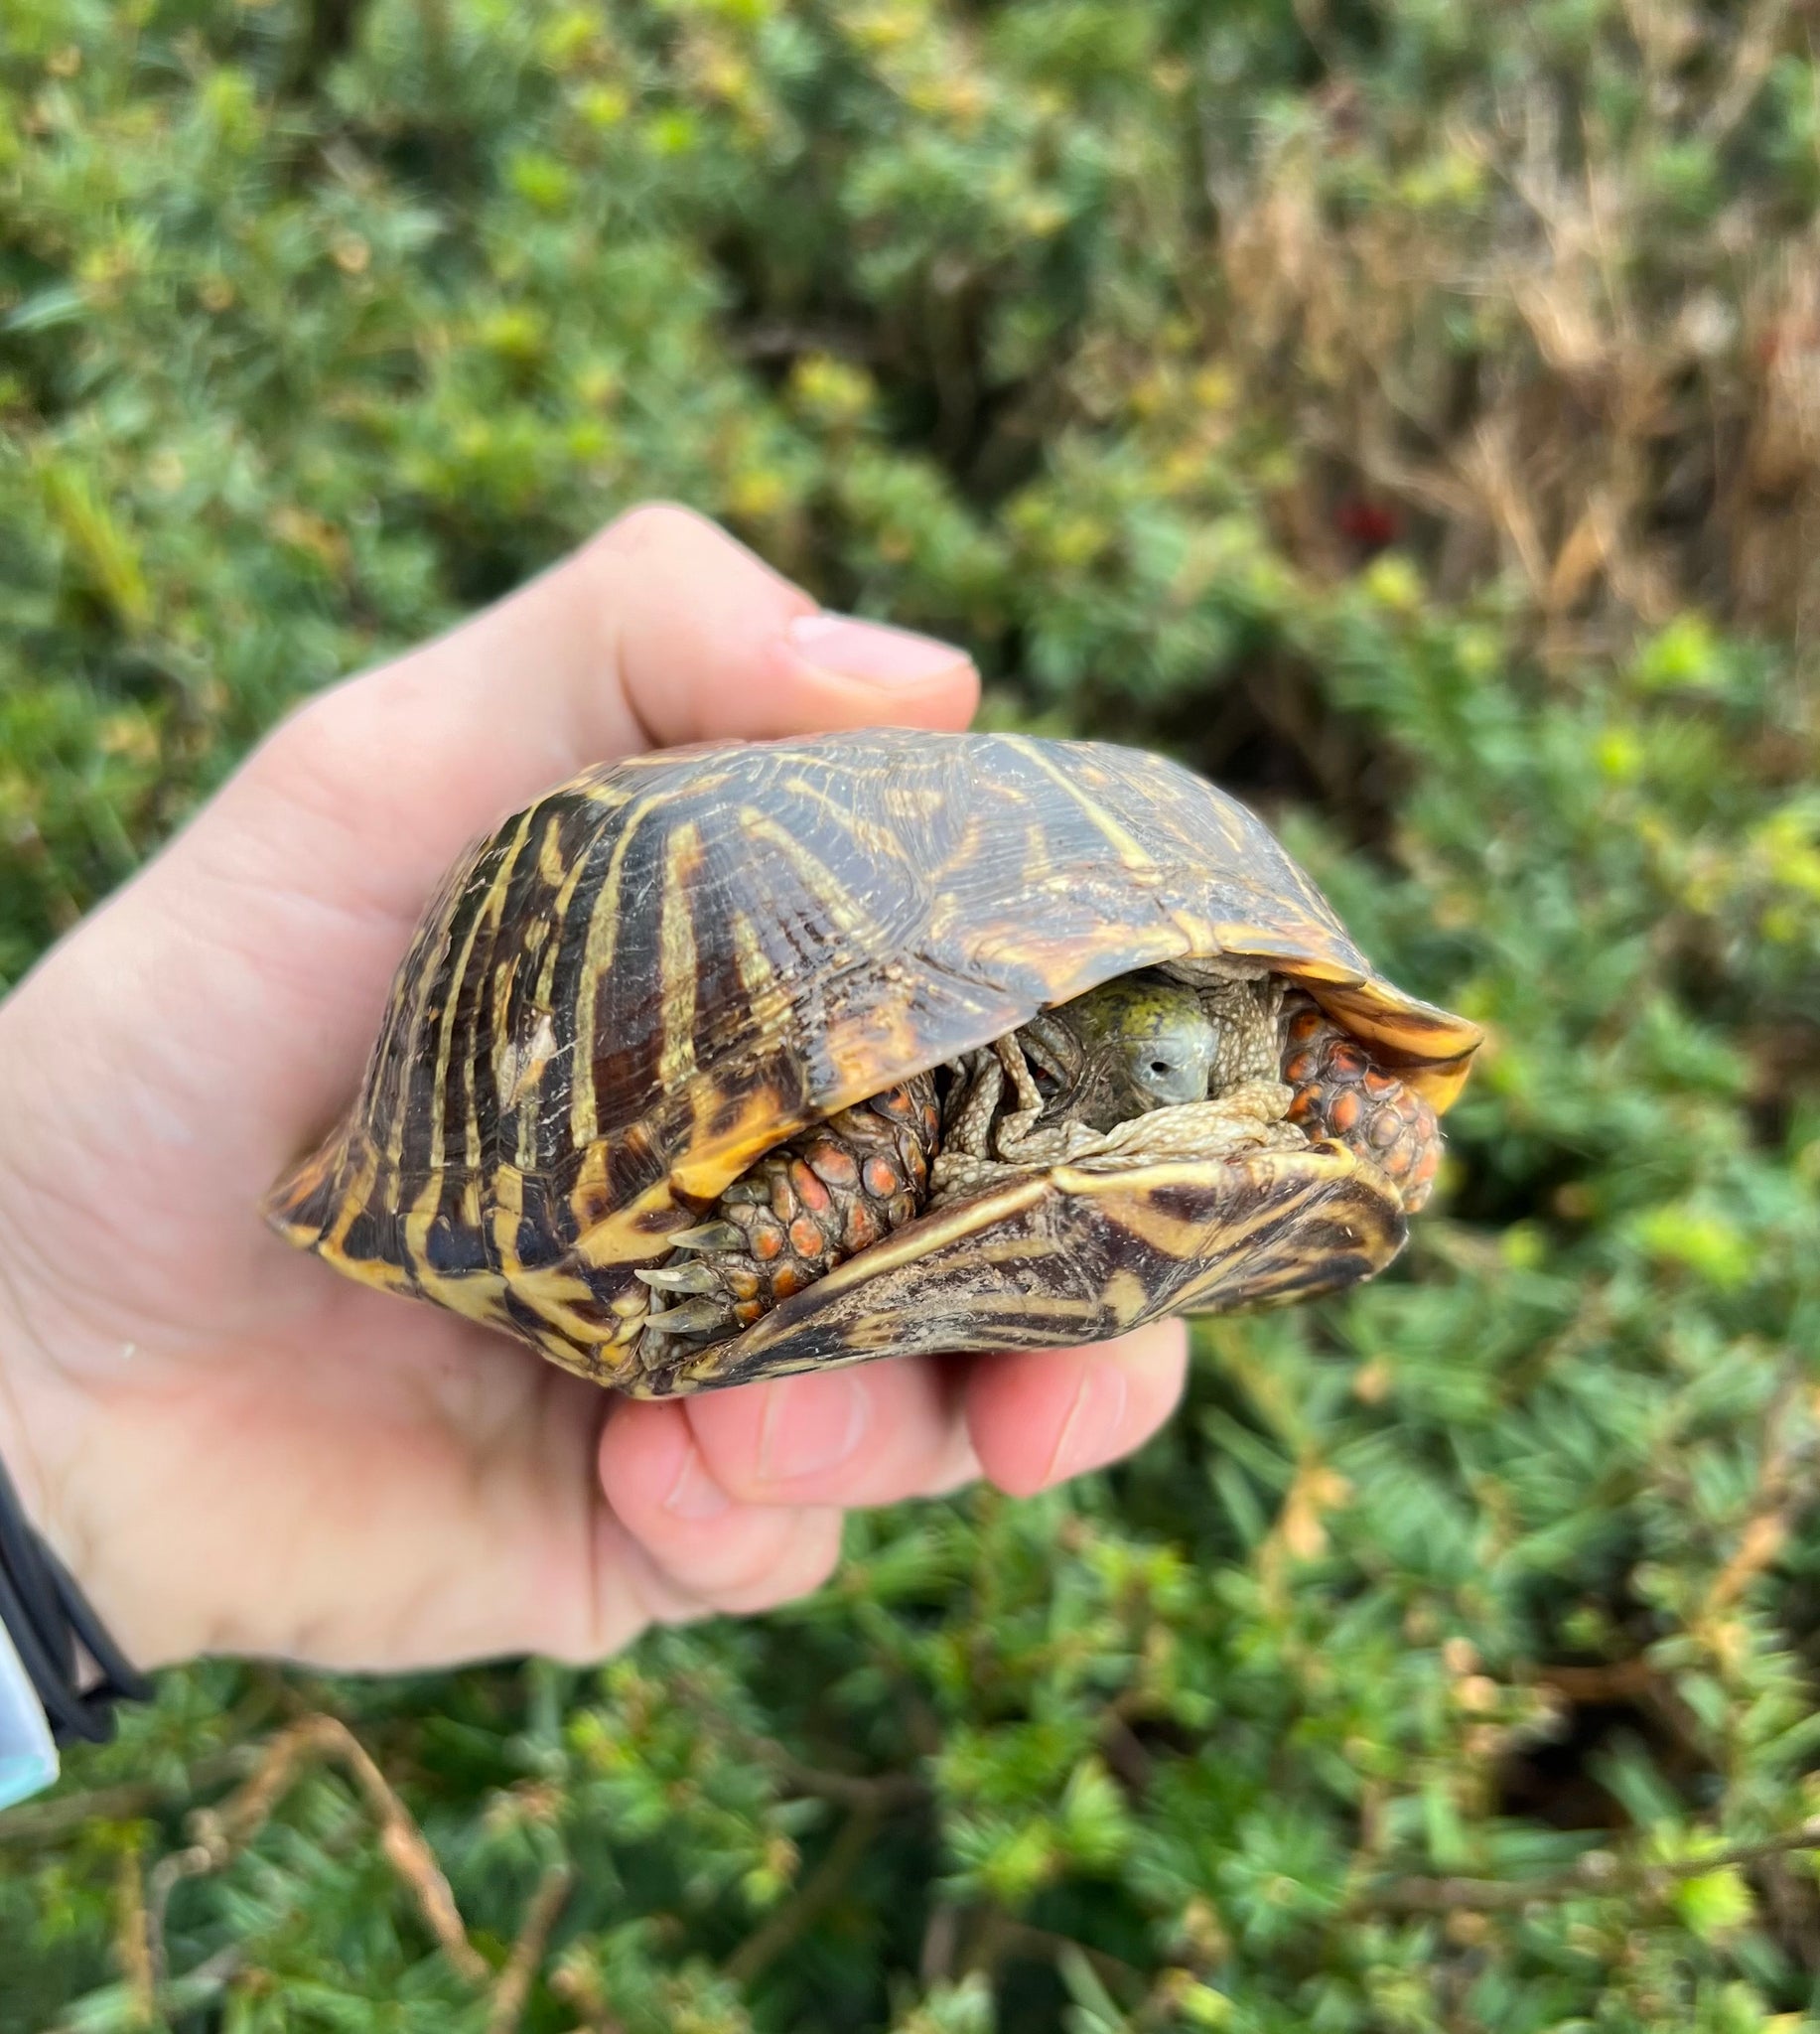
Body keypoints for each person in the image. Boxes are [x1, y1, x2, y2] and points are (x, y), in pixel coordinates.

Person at [0, 506, 1187, 1687]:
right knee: (879, 1142)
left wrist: (83, 1493)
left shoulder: (1212, 1016)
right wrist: (40, 1371)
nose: (1199, 1085)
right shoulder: (916, 1092)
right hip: (528, 1123)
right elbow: (885, 1095)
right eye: (1160, 1072)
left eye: (1205, 1055)